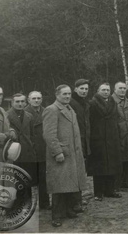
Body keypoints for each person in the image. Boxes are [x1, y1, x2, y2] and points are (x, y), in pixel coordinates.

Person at [43, 85, 87, 227]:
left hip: (72, 153)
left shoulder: (69, 109)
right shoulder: (52, 109)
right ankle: (56, 215)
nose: (67, 96)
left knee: (70, 183)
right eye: (64, 94)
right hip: (61, 154)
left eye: (69, 94)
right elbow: (49, 134)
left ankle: (68, 210)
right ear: (57, 95)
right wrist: (57, 152)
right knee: (59, 186)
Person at [88, 83, 122, 201]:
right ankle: (98, 192)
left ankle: (110, 190)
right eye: (103, 90)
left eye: (107, 90)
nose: (106, 92)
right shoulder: (92, 103)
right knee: (99, 166)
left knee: (111, 164)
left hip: (112, 138)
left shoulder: (113, 102)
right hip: (98, 138)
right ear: (98, 91)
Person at [24, 91, 50, 209]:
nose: (36, 100)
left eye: (39, 98)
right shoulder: (24, 113)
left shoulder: (46, 111)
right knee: (28, 179)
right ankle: (27, 205)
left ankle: (45, 204)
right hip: (30, 150)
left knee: (43, 178)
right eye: (33, 98)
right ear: (29, 100)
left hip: (43, 149)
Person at [69, 79, 91, 210]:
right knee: (75, 171)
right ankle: (75, 201)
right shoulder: (71, 102)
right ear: (75, 89)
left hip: (84, 140)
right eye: (81, 89)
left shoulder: (85, 103)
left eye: (86, 89)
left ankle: (78, 198)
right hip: (75, 141)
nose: (84, 91)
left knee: (81, 171)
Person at [7, 93, 37, 184]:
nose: (20, 104)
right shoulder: (6, 116)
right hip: (13, 153)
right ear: (12, 102)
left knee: (26, 180)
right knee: (14, 181)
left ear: (25, 102)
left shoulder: (29, 116)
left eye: (22, 101)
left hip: (27, 153)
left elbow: (32, 135)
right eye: (17, 101)